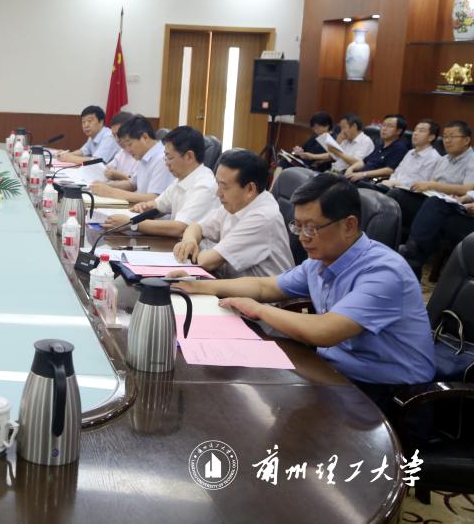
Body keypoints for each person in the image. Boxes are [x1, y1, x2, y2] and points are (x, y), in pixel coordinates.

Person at [176, 174, 434, 411]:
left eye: (311, 228)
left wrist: (258, 310)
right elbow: (265, 287)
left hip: (390, 393)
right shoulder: (321, 261)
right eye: (298, 226)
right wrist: (198, 285)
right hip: (334, 371)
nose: (302, 237)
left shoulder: (384, 272)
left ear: (348, 225)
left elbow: (325, 331)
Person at [171, 150, 293, 278]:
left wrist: (195, 250)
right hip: (229, 283)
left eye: (224, 186)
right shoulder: (237, 202)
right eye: (217, 183)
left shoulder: (263, 217)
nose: (218, 193)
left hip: (260, 291)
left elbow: (207, 262)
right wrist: (189, 241)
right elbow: (196, 227)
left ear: (250, 189)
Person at [104, 126, 217, 237]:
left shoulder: (204, 186)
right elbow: (159, 205)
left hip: (195, 248)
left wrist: (131, 223)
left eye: (169, 158)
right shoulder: (181, 179)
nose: (166, 163)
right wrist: (146, 206)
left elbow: (179, 228)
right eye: (165, 158)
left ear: (189, 156)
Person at [387, 120, 474, 231]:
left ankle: (410, 242)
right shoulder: (443, 159)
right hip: (432, 198)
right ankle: (386, 233)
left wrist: (432, 186)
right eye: (445, 137)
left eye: (452, 137)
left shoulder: (472, 160)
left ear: (466, 140)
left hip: (451, 206)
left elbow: (467, 189)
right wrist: (424, 187)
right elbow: (432, 181)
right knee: (399, 194)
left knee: (431, 202)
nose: (447, 140)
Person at [89, 116, 174, 204]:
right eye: (125, 146)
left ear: (145, 137)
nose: (128, 150)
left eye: (129, 144)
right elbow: (132, 184)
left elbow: (155, 198)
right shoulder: (144, 156)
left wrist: (111, 192)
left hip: (152, 212)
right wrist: (105, 185)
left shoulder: (162, 159)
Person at [377, 119, 441, 189]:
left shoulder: (433, 158)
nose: (415, 133)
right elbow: (397, 172)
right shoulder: (410, 152)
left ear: (431, 137)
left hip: (409, 192)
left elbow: (421, 182)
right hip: (392, 187)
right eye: (415, 130)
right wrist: (390, 182)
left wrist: (396, 183)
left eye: (421, 131)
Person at [343, 114, 409, 182]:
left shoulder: (400, 148)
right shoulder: (380, 145)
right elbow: (364, 162)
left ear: (399, 131)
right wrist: (351, 169)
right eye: (383, 125)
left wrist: (363, 174)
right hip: (361, 177)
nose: (384, 129)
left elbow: (389, 170)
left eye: (390, 126)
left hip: (374, 182)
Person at [102, 111, 138, 181]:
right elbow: (107, 169)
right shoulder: (122, 152)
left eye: (119, 134)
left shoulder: (141, 153)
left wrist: (120, 176)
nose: (117, 139)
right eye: (114, 135)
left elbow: (137, 183)